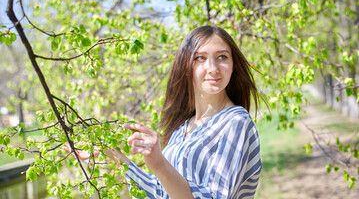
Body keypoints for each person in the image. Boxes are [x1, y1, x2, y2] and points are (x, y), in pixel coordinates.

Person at [65, 25, 262, 199]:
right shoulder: (183, 128)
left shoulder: (236, 122)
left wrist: (159, 164)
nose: (212, 68)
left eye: (222, 57)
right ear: (186, 67)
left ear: (233, 64)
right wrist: (111, 152)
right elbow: (159, 192)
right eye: (200, 58)